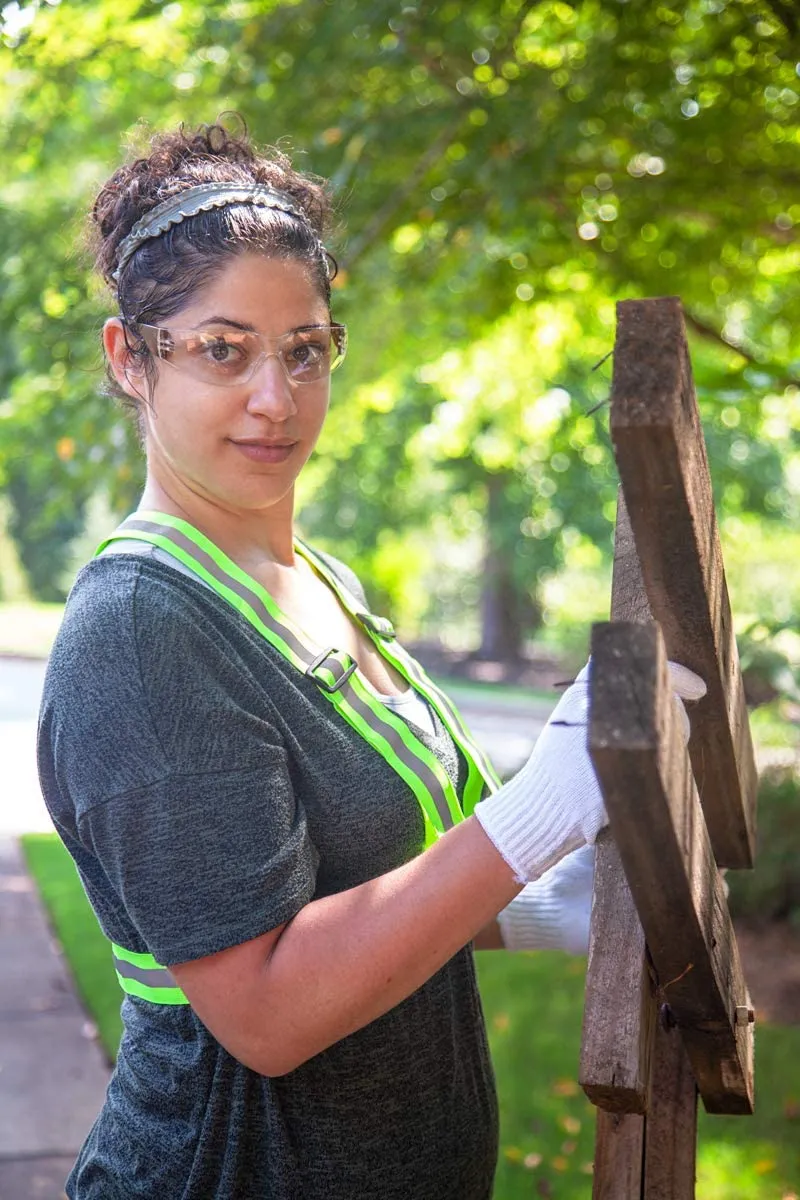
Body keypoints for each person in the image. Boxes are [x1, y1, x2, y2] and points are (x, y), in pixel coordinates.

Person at [37, 121, 702, 1200]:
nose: (275, 396)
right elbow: (263, 1012)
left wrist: (538, 899)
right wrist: (534, 809)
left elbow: (359, 888)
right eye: (222, 348)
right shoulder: (142, 632)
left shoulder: (317, 580)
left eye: (304, 349)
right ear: (131, 358)